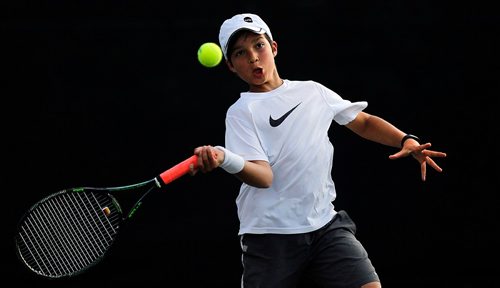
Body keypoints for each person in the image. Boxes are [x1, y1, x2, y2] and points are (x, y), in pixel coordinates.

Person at [190, 13, 447, 288]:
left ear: (273, 47)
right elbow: (263, 177)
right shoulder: (241, 112)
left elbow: (363, 122)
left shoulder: (313, 92)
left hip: (325, 226)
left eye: (258, 45)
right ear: (231, 66)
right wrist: (226, 158)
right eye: (241, 52)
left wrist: (405, 139)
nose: (253, 56)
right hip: (270, 237)